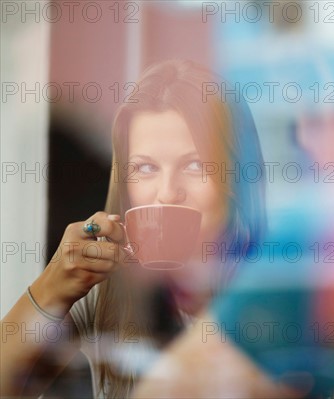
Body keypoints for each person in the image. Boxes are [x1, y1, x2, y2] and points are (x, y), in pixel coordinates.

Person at [0, 59, 266, 398]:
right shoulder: (101, 290)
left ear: (235, 178)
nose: (168, 192)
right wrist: (53, 287)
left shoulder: (273, 293)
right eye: (146, 167)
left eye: (195, 164)